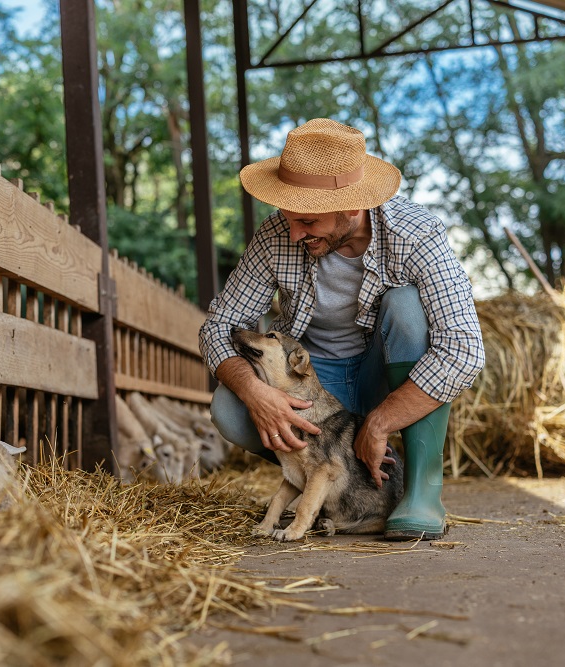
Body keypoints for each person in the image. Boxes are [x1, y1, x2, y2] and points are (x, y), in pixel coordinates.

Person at [199, 118, 485, 540]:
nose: (294, 232)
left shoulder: (416, 233)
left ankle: (423, 491)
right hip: (312, 385)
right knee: (228, 410)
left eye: (309, 223)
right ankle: (327, 474)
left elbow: (463, 349)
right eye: (288, 217)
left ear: (353, 208)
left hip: (383, 378)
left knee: (405, 305)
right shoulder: (278, 233)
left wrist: (380, 421)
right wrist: (256, 392)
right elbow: (219, 326)